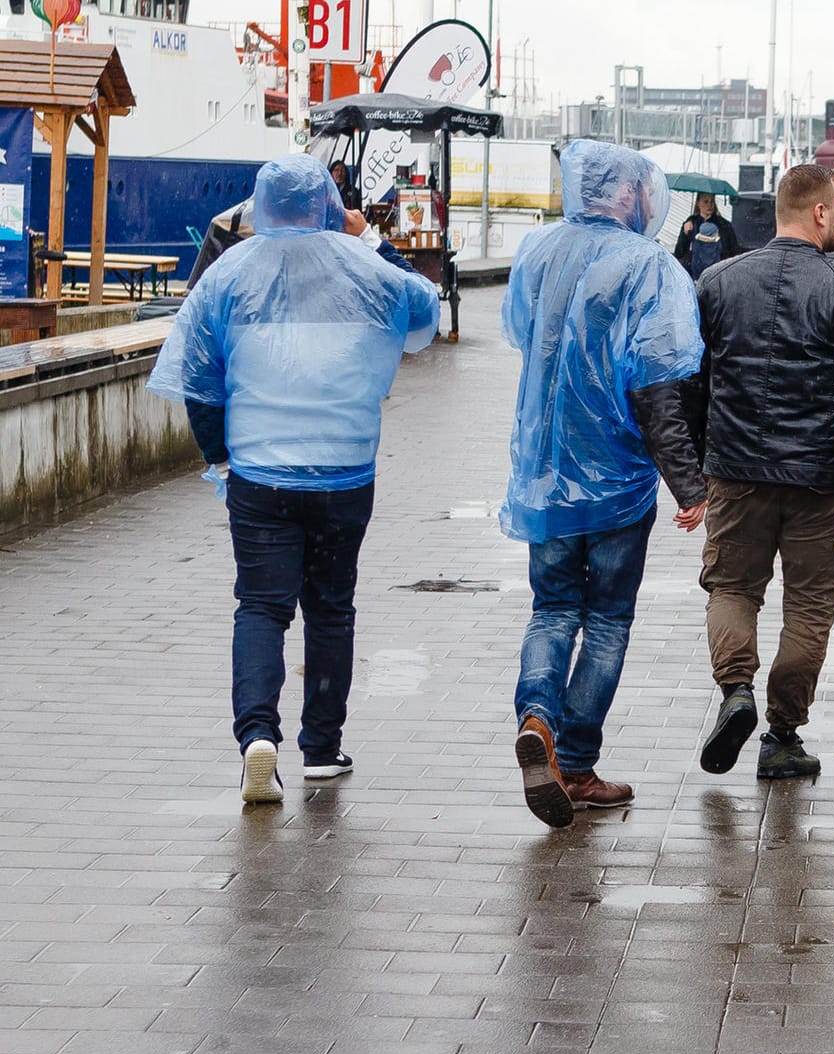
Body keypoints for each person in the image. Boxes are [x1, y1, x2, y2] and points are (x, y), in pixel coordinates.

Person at [146, 155, 439, 803]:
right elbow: (424, 315)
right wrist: (368, 238)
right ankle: (323, 748)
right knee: (330, 609)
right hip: (343, 471)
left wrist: (219, 456)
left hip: (259, 473)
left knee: (261, 605)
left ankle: (258, 736)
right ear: (328, 206)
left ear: (264, 205)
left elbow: (198, 375)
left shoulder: (229, 273)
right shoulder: (360, 263)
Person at [501, 140, 708, 829]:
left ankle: (538, 715)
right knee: (608, 618)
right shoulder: (650, 267)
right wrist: (688, 482)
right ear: (624, 195)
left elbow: (523, 335)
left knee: (552, 607)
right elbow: (659, 382)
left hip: (543, 472)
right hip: (616, 475)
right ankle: (578, 762)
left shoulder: (536, 253)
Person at [686, 164, 834, 782]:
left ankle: (736, 693)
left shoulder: (718, 282)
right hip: (821, 479)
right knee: (810, 604)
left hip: (735, 472)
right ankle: (782, 734)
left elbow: (692, 385)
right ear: (821, 213)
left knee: (732, 588)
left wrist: (695, 474)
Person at [673, 191, 740, 274]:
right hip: (695, 271)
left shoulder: (724, 225)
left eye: (712, 201)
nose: (710, 205)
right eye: (706, 201)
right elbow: (679, 252)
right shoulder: (691, 224)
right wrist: (685, 233)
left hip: (717, 271)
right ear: (698, 203)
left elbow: (733, 251)